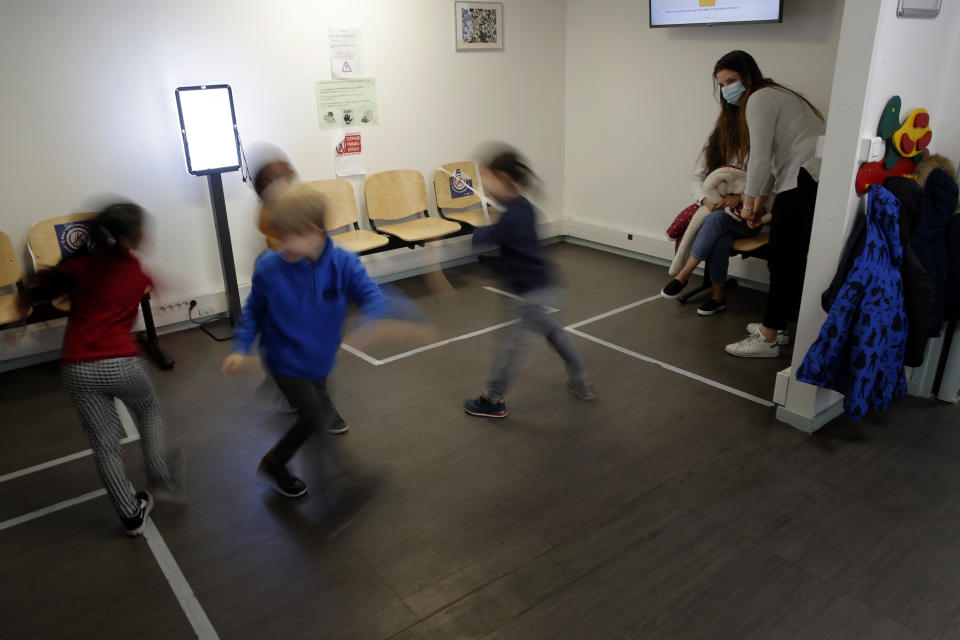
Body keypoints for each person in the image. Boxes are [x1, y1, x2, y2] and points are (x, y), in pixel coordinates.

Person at [22, 204, 182, 536]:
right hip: (119, 365)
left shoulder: (79, 266)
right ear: (129, 236)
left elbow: (42, 288)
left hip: (77, 369)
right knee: (149, 409)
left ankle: (130, 515)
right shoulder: (137, 272)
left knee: (105, 444)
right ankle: (160, 478)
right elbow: (152, 288)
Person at [221, 182, 386, 497]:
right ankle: (276, 464)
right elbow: (253, 310)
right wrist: (240, 347)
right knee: (312, 417)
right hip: (284, 359)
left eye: (285, 238)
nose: (279, 245)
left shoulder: (344, 264)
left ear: (313, 231)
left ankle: (335, 478)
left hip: (321, 360)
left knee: (319, 420)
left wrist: (370, 323)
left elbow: (371, 296)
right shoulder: (270, 267)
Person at [463, 146, 595, 418]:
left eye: (488, 178)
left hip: (533, 295)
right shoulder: (524, 209)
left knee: (511, 347)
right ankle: (581, 380)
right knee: (554, 333)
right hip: (550, 290)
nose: (485, 184)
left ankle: (494, 399)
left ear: (503, 179)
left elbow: (487, 237)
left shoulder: (512, 218)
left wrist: (476, 232)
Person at [713, 50, 825, 357]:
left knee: (784, 260)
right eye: (721, 84)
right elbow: (774, 165)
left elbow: (760, 158)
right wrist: (759, 203)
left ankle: (769, 336)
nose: (727, 90)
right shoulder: (778, 94)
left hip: (804, 180)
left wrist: (749, 206)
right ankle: (779, 327)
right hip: (806, 179)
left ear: (748, 77)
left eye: (731, 81)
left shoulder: (760, 98)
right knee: (787, 259)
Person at [250, 151, 350, 434]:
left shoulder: (299, 207)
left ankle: (293, 386)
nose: (289, 186)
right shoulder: (269, 217)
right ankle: (318, 405)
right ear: (268, 189)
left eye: (290, 179)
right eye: (281, 182)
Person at [661, 83, 756, 316]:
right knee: (720, 235)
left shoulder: (759, 150)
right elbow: (695, 179)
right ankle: (718, 297)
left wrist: (740, 198)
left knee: (714, 223)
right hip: (718, 213)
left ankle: (684, 275)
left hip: (749, 217)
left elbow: (768, 186)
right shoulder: (713, 148)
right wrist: (706, 201)